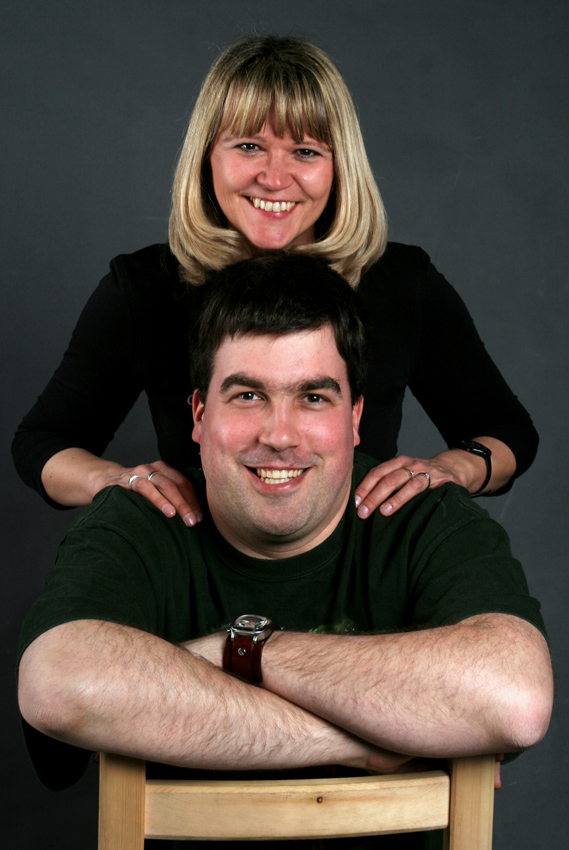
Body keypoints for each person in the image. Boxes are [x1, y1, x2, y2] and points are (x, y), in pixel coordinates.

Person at [17, 254, 552, 850]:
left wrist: (235, 650)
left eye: (313, 398)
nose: (279, 435)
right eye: (247, 395)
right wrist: (363, 742)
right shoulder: (142, 517)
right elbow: (58, 684)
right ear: (198, 415)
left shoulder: (424, 514)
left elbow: (516, 697)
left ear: (355, 418)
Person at [13, 35, 538, 533]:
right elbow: (41, 442)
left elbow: (508, 433)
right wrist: (111, 480)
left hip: (360, 591)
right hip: (195, 579)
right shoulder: (146, 286)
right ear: (206, 157)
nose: (274, 177)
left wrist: (453, 468)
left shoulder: (400, 281)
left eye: (306, 152)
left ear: (339, 167)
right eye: (248, 146)